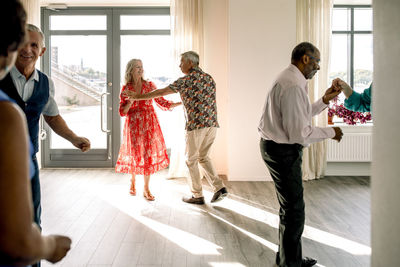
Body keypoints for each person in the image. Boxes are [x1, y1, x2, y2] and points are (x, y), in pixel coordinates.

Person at [0, 23, 90, 267]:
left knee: (33, 222)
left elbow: (51, 115)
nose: (27, 49)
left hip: (28, 164)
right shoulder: (1, 77)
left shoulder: (45, 83)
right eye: (22, 44)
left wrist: (74, 138)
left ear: (42, 50)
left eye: (34, 45)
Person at [258, 42, 344, 267]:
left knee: (290, 208)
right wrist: (331, 132)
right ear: (306, 59)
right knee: (294, 210)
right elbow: (300, 133)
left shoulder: (291, 78)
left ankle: (289, 258)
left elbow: (301, 116)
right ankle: (291, 264)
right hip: (282, 151)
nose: (317, 67)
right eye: (317, 62)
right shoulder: (294, 84)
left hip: (276, 148)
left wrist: (325, 100)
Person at [123, 51, 228, 205]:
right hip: (212, 124)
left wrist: (137, 97)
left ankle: (197, 195)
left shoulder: (186, 80)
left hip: (196, 125)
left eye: (182, 62)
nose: (179, 65)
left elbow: (161, 92)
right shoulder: (209, 78)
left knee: (190, 160)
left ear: (190, 63)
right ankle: (220, 188)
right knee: (204, 157)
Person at [115, 59, 181, 200]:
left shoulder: (149, 85)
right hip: (133, 124)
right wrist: (131, 103)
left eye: (141, 67)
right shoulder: (126, 88)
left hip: (149, 124)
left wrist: (179, 103)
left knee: (147, 155)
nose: (141, 69)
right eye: (137, 67)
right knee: (134, 153)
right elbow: (122, 112)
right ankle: (132, 181)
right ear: (131, 70)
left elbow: (161, 101)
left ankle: (146, 188)